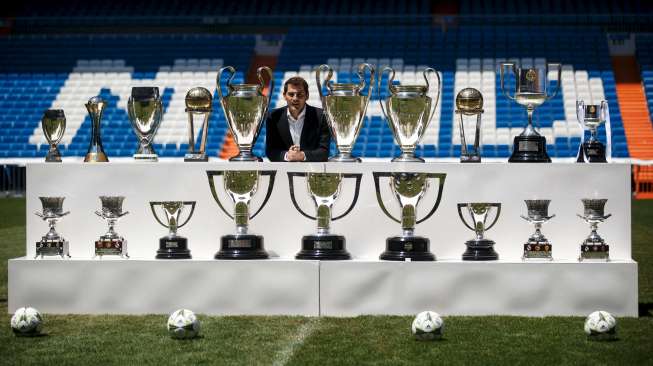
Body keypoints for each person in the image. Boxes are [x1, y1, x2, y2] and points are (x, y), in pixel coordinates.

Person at [265, 76, 330, 162]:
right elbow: (270, 151)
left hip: (311, 171)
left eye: (300, 94)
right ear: (284, 96)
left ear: (307, 96)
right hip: (283, 171)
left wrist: (302, 155)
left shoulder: (322, 116)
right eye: (291, 94)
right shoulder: (273, 117)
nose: (295, 98)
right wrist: (287, 155)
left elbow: (324, 152)